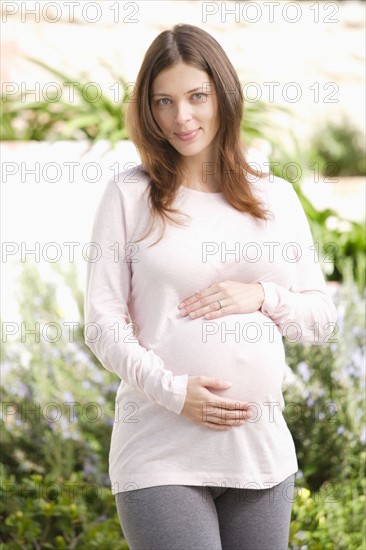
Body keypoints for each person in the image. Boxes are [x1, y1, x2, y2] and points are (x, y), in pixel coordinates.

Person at [84, 23, 338, 550]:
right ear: (148, 110)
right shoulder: (130, 195)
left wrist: (263, 296)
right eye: (164, 101)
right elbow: (103, 323)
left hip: (260, 456)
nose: (182, 117)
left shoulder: (276, 196)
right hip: (161, 451)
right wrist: (174, 394)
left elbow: (321, 320)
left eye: (197, 96)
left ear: (223, 94)